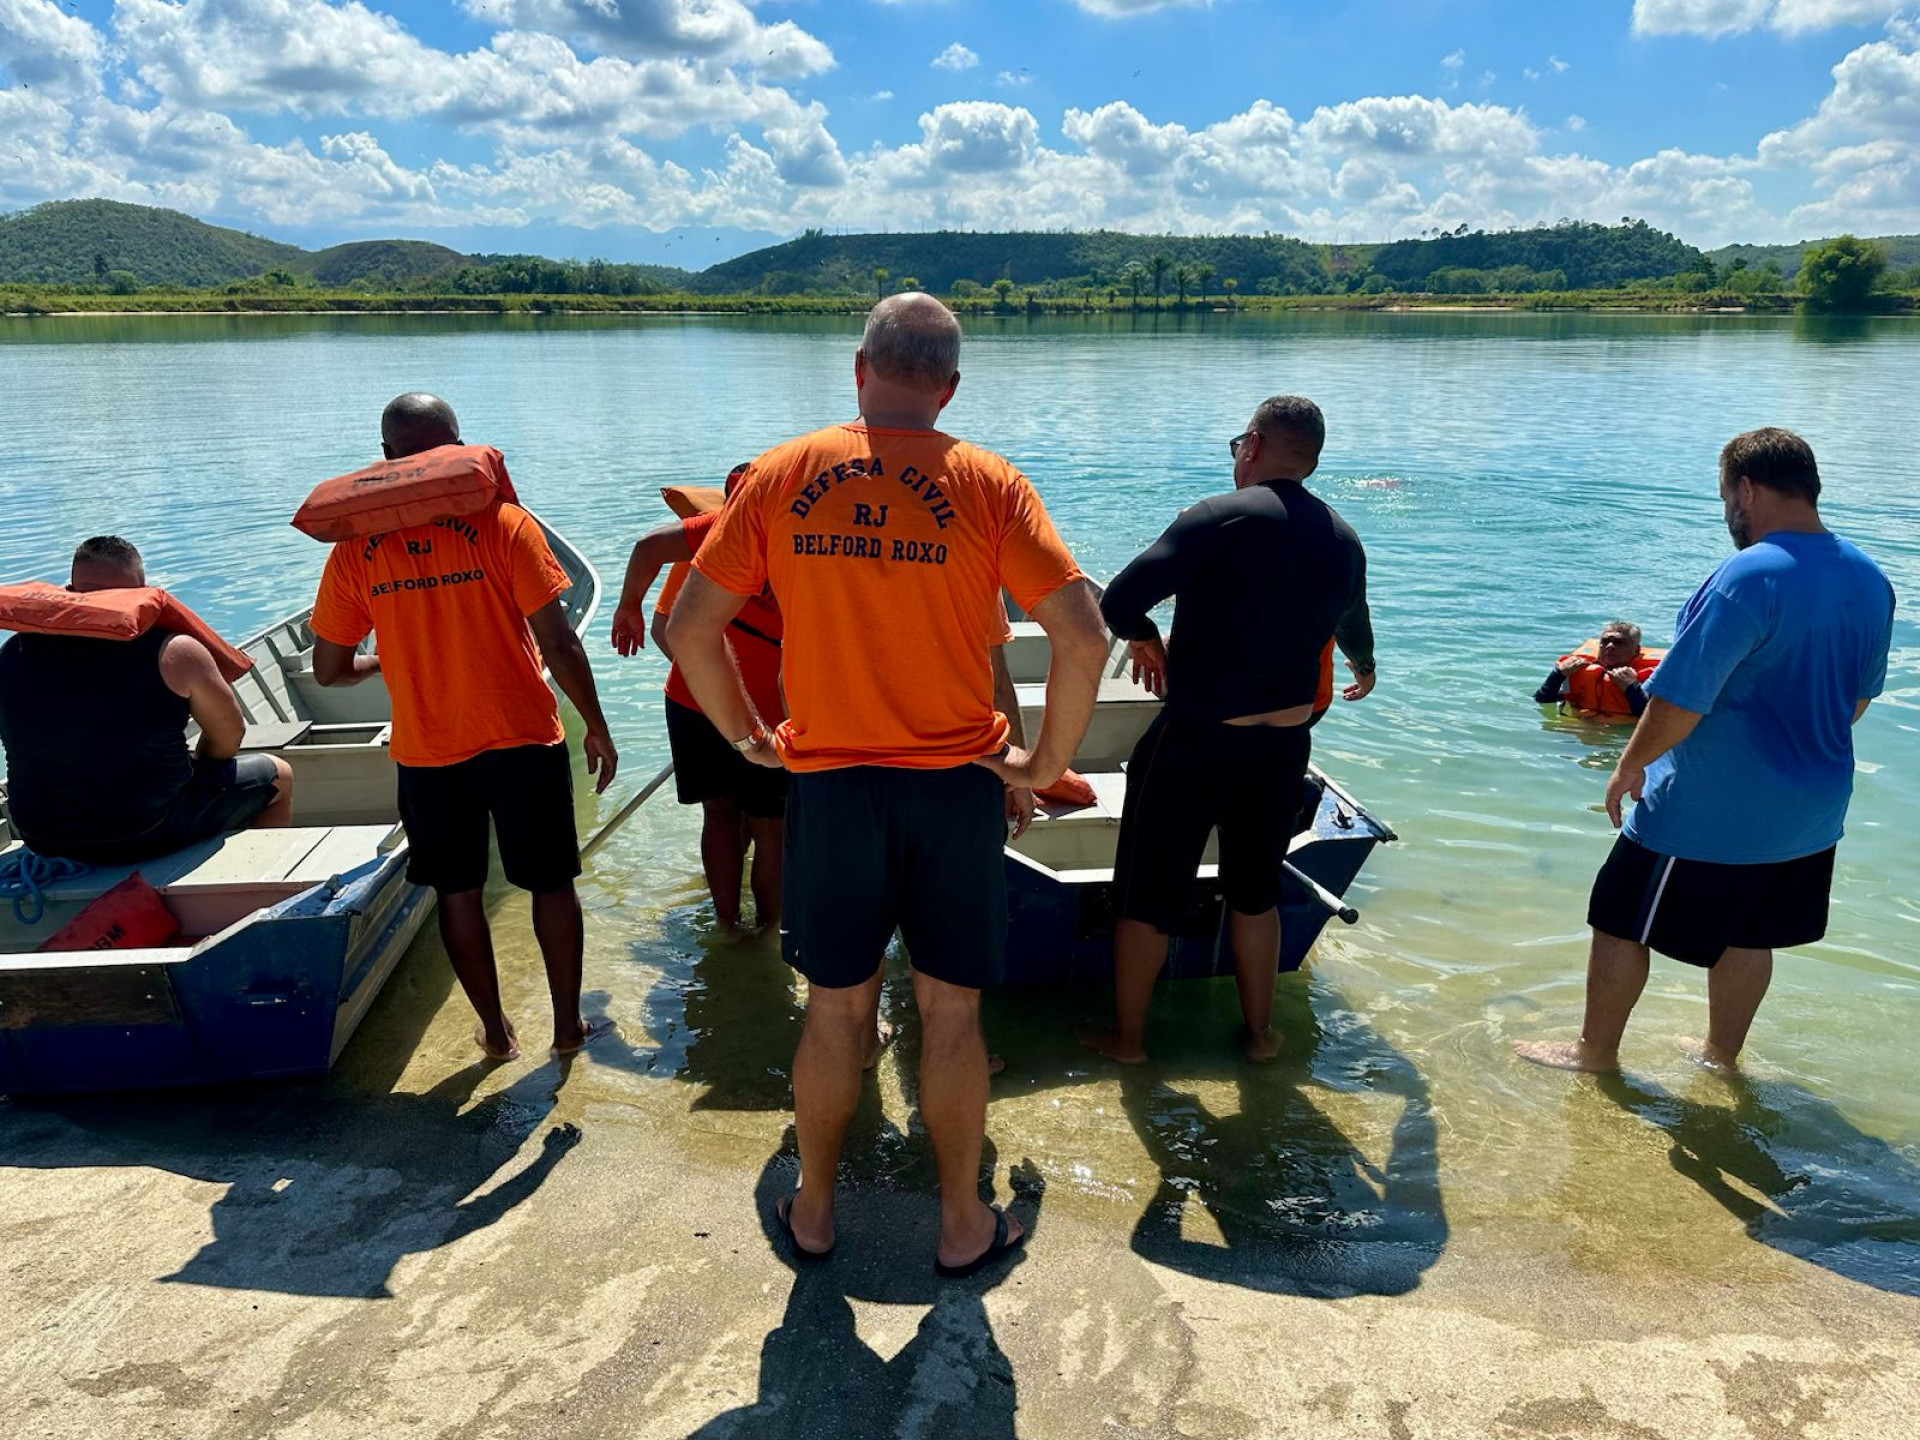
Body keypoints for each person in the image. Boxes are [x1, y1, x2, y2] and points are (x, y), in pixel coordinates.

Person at [667, 293, 1108, 1273]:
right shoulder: (990, 482)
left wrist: (748, 739)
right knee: (952, 1015)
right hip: (954, 787)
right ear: (948, 389)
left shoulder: (784, 473)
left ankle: (816, 1212)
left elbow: (687, 627)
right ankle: (962, 1225)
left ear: (858, 368)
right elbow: (1084, 634)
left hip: (830, 789)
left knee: (835, 1011)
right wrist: (1039, 763)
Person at [1517, 428, 1894, 1074]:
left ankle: (1594, 1053)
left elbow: (1681, 697)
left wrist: (1629, 763)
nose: (1728, 512)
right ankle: (1722, 1058)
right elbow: (1855, 704)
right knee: (1750, 931)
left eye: (1725, 495)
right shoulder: (1870, 577)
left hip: (1713, 811)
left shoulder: (1747, 576)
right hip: (1812, 813)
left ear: (1746, 488)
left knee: (1618, 916)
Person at [309, 393, 619, 1063]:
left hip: (429, 750)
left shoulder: (357, 551)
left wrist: (378, 661)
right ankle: (567, 1029)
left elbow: (328, 669)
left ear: (387, 459)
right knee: (551, 884)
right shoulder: (504, 523)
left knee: (458, 893)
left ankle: (497, 1035)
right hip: (522, 738)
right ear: (457, 446)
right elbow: (560, 643)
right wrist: (597, 725)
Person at [1085, 395, 1375, 1066]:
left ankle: (1128, 1042)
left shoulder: (1217, 517)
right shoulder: (1343, 538)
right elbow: (1352, 623)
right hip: (1282, 748)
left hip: (1199, 741)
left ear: (1252, 445)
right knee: (1255, 893)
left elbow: (1119, 600)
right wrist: (1366, 666)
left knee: (1149, 896)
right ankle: (1260, 1037)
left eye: (1239, 443)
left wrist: (1146, 639)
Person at [0, 536, 292, 862]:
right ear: (143, 592)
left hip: (40, 834)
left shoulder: (13, 652)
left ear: (69, 591)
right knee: (280, 776)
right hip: (145, 831)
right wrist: (203, 768)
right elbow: (229, 736)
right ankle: (252, 875)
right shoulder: (176, 652)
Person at [611, 468, 788, 933]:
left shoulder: (716, 533)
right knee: (772, 828)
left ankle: (727, 925)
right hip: (769, 712)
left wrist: (628, 604)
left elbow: (652, 566)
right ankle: (769, 931)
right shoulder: (804, 534)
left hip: (694, 701)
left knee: (722, 816)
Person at [1534, 622, 1657, 719]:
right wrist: (1557, 674)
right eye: (1605, 641)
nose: (1610, 646)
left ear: (1636, 650)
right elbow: (1543, 700)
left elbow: (1654, 716)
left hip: (1619, 739)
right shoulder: (1577, 669)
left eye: (1619, 642)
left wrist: (1631, 687)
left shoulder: (1649, 676)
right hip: (1578, 732)